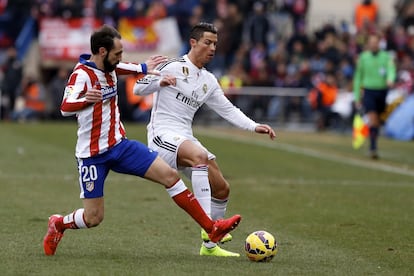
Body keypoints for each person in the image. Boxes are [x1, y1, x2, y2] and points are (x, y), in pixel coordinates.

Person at [42, 24, 241, 256]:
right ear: (103, 52)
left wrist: (149, 68)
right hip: (92, 155)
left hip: (120, 146)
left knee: (170, 176)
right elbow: (65, 108)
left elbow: (130, 67)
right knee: (93, 217)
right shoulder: (81, 75)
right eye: (117, 53)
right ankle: (58, 223)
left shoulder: (112, 66)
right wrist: (86, 99)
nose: (120, 58)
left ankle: (211, 228)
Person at [133, 22, 275, 257]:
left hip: (185, 138)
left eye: (215, 44)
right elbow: (138, 88)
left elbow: (228, 109)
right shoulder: (173, 66)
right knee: (199, 156)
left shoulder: (208, 80)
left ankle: (209, 247)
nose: (212, 48)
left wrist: (254, 126)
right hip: (161, 136)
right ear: (193, 42)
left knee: (222, 188)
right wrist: (159, 82)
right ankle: (209, 226)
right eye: (207, 43)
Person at [353, 33, 396, 159]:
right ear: (368, 44)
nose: (373, 44)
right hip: (369, 91)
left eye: (375, 42)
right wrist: (357, 97)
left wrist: (390, 79)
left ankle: (373, 140)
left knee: (377, 120)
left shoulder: (386, 57)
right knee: (373, 117)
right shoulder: (363, 58)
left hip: (382, 91)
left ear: (379, 43)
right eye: (371, 42)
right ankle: (373, 147)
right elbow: (358, 78)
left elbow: (391, 70)